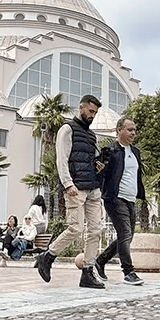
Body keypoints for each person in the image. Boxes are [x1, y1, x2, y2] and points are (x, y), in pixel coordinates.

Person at [33, 94, 106, 289]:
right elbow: (62, 159)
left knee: (96, 230)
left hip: (93, 187)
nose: (92, 115)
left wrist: (97, 165)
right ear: (81, 108)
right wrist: (67, 183)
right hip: (75, 188)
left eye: (95, 113)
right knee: (76, 229)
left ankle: (88, 272)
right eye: (90, 111)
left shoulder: (92, 136)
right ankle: (47, 256)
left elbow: (90, 159)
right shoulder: (67, 129)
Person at [96, 117, 146, 286]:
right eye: (130, 129)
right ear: (119, 130)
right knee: (125, 233)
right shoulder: (110, 150)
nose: (133, 133)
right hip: (115, 198)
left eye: (134, 130)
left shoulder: (135, 151)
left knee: (128, 236)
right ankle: (128, 272)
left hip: (130, 199)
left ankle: (101, 261)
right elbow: (99, 171)